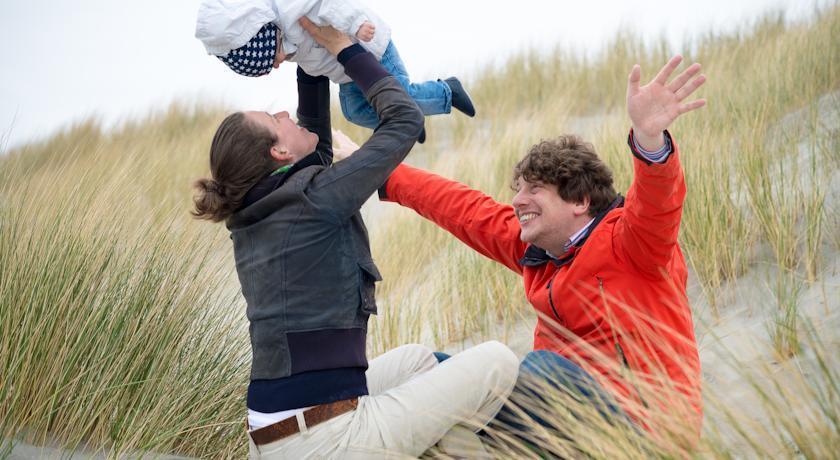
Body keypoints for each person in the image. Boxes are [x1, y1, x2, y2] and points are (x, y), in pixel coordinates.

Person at [191, 21, 517, 459]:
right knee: (498, 360)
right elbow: (404, 121)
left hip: (277, 434)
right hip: (329, 440)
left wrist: (309, 60)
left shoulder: (257, 211)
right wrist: (346, 51)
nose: (286, 114)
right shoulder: (311, 200)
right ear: (279, 154)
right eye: (275, 119)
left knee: (417, 362)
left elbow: (319, 156)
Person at [376, 55, 707, 447]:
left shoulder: (633, 242)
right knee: (438, 377)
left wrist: (649, 140)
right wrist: (381, 173)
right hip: (566, 433)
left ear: (580, 199)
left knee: (544, 371)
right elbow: (464, 211)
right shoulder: (535, 252)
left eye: (534, 189)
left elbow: (659, 201)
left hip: (647, 437)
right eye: (518, 189)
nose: (518, 200)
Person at [195, 0, 475, 142]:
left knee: (401, 95)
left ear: (268, 34)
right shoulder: (277, 35)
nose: (278, 64)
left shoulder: (295, 9)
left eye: (274, 58)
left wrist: (355, 24)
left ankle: (447, 91)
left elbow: (332, 4)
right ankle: (411, 124)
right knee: (354, 112)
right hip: (347, 73)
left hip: (370, 50)